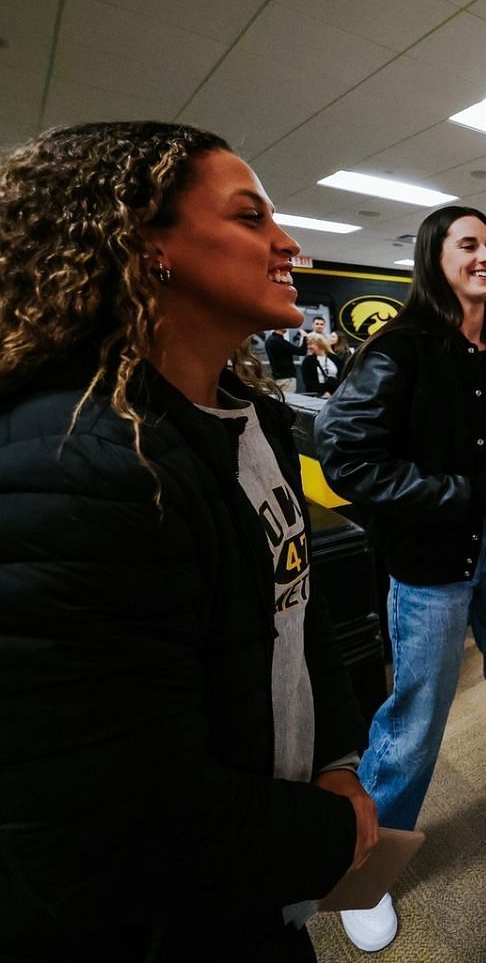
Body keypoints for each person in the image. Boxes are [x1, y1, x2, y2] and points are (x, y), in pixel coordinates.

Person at [0, 121, 376, 960]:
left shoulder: (253, 423)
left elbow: (296, 605)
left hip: (256, 893)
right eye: (251, 218)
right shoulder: (74, 466)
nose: (289, 244)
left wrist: (341, 760)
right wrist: (327, 831)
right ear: (144, 247)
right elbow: (108, 833)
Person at [316, 205, 486, 954]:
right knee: (415, 717)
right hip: (431, 560)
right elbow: (349, 458)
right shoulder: (398, 348)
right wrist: (461, 492)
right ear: (435, 257)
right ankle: (362, 867)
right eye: (469, 244)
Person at [301, 331, 340, 398]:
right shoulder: (308, 361)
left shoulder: (334, 358)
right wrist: (324, 393)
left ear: (320, 344)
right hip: (318, 395)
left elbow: (343, 375)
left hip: (337, 393)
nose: (308, 347)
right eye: (308, 344)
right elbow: (308, 381)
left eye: (311, 344)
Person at [266, 324, 299, 392]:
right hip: (287, 378)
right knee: (288, 401)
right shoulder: (280, 341)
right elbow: (301, 351)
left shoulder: (269, 340)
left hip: (277, 377)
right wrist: (304, 337)